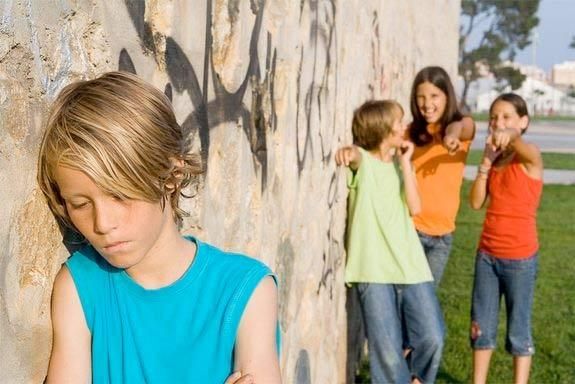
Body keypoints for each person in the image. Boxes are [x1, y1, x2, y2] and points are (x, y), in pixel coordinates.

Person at [37, 71, 281, 384]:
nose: (102, 224)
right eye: (81, 204)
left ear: (171, 176)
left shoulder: (247, 290)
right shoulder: (80, 287)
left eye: (121, 195)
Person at [335, 100, 445, 384]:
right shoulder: (364, 162)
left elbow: (415, 206)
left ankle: (417, 378)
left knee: (432, 336)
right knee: (386, 353)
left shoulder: (399, 167)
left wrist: (405, 163)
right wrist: (349, 151)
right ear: (381, 128)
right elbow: (356, 156)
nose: (403, 127)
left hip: (411, 265)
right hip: (373, 269)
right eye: (398, 122)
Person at [469, 93, 542, 384]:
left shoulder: (530, 157)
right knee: (481, 327)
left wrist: (511, 134)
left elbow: (521, 145)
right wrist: (485, 163)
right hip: (487, 256)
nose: (498, 123)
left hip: (520, 258)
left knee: (518, 328)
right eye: (493, 117)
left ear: (523, 122)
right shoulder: (495, 160)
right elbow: (475, 203)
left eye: (507, 116)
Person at [408, 66, 476, 286]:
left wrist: (451, 135)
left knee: (425, 300)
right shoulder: (412, 132)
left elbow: (462, 124)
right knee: (409, 300)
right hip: (412, 231)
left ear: (447, 96)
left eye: (434, 96)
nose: (427, 104)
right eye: (421, 97)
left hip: (443, 236)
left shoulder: (461, 130)